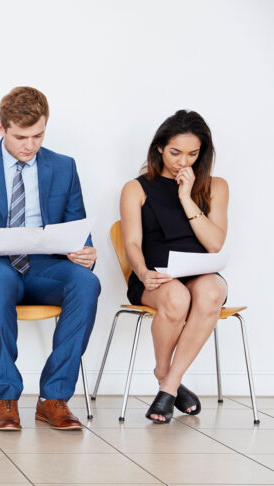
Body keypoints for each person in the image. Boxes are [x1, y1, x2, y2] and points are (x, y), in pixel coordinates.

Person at [0, 86, 100, 431]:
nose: (30, 145)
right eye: (20, 137)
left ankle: (53, 398)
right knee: (0, 278)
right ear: (1, 129)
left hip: (45, 267)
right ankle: (6, 397)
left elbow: (78, 227)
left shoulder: (64, 166)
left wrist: (86, 250)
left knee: (87, 283)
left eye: (38, 135)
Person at [119, 110, 228, 424]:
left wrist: (185, 196)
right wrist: (141, 272)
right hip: (155, 274)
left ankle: (167, 382)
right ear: (159, 149)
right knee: (177, 297)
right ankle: (168, 378)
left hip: (198, 269)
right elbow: (133, 244)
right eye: (175, 153)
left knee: (212, 291)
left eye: (192, 154)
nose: (183, 162)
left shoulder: (215, 186)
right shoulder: (136, 188)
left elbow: (214, 244)